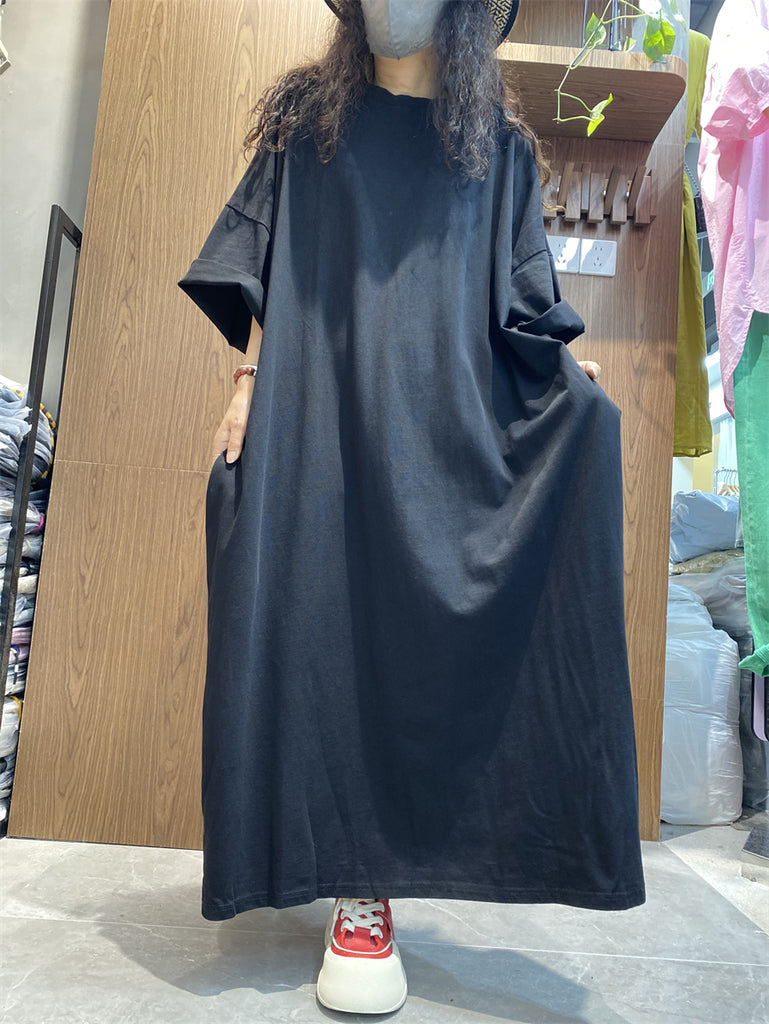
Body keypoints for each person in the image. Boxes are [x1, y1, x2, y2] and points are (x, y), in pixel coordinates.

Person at [178, 0, 646, 1015]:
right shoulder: (305, 131)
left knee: (428, 632)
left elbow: (524, 303)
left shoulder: (497, 151)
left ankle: (411, 864)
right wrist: (248, 381)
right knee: (316, 624)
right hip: (320, 410)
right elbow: (261, 271)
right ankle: (358, 889)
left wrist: (562, 376)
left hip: (445, 416)